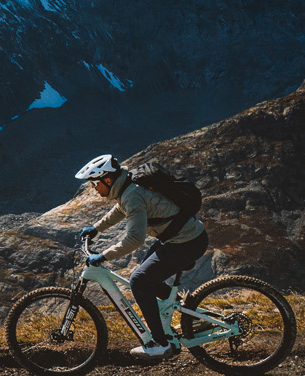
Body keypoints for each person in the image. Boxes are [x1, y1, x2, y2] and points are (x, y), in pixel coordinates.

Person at [74, 154, 209, 360]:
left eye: (94, 183)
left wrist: (103, 256)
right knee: (148, 277)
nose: (93, 187)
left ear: (108, 180)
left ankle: (160, 344)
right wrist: (96, 228)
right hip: (180, 237)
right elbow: (121, 209)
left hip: (185, 242)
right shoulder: (128, 186)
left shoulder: (131, 194)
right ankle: (193, 318)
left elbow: (135, 239)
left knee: (139, 280)